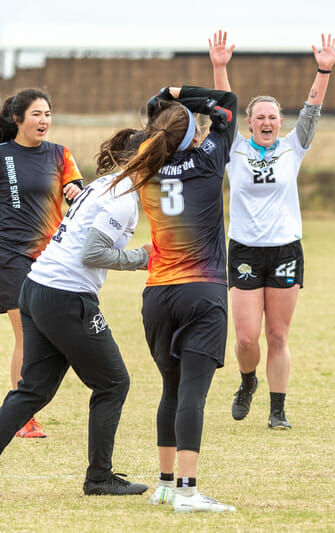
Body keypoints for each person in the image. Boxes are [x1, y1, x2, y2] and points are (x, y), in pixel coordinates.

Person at [0, 128, 150, 495]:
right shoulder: (121, 196)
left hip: (36, 288)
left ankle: (99, 476)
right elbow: (93, 254)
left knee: (32, 390)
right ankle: (99, 478)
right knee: (114, 382)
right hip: (66, 297)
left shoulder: (103, 184)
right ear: (144, 161)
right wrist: (140, 258)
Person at [112, 85, 237, 512]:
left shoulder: (145, 163)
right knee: (193, 396)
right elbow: (228, 105)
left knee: (171, 388)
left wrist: (167, 96)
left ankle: (166, 484)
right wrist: (180, 93)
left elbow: (156, 115)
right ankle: (187, 491)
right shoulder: (206, 162)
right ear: (191, 137)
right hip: (202, 291)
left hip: (157, 294)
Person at [208, 30, 335, 429]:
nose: (266, 122)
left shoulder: (292, 147)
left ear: (280, 123)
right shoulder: (235, 147)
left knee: (278, 336)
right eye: (259, 117)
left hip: (285, 250)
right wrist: (220, 66)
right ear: (250, 123)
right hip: (246, 250)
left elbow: (313, 109)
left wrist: (323, 70)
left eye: (272, 117)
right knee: (248, 338)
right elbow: (224, 107)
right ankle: (247, 382)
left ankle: (277, 409)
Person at [0, 89, 83, 438]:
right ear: (18, 119)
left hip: (50, 260)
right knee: (29, 336)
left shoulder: (60, 154)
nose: (44, 120)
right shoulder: (2, 156)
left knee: (43, 337)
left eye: (48, 114)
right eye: (36, 114)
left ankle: (21, 411)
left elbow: (79, 189)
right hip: (9, 256)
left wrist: (76, 192)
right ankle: (22, 417)